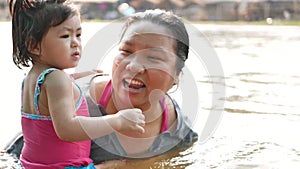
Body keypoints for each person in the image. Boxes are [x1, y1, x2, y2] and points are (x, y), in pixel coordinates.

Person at [9, 0, 145, 168]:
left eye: (78, 35)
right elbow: (67, 129)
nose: (75, 43)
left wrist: (76, 77)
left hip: (31, 164)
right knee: (126, 164)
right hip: (66, 166)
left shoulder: (32, 78)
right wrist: (118, 120)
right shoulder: (57, 79)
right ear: (34, 45)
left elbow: (48, 106)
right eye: (65, 36)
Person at [88, 9, 198, 166]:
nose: (133, 67)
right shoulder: (75, 103)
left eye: (153, 57)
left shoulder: (179, 133)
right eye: (126, 51)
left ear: (176, 75)